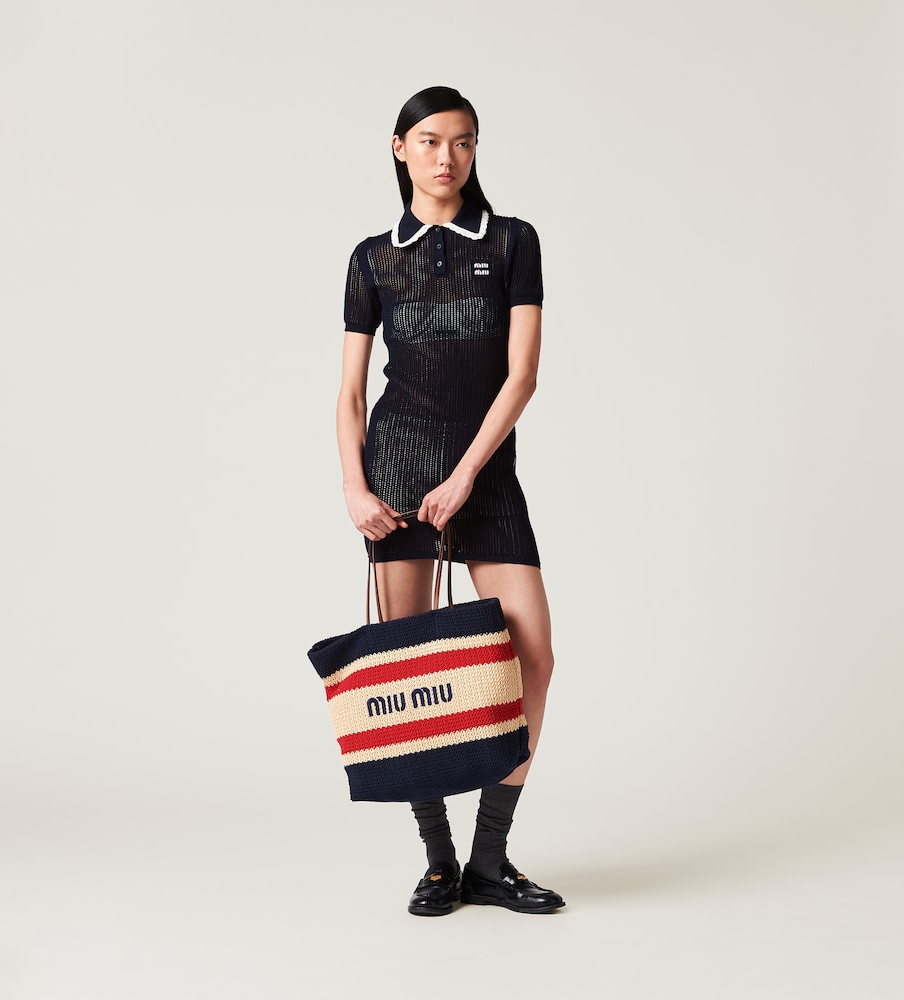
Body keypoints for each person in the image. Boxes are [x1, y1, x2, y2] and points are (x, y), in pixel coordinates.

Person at [336, 86, 564, 916]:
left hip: (484, 474)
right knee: (410, 671)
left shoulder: (511, 241)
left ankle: (490, 860)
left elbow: (522, 376)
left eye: (463, 141)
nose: (447, 156)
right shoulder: (372, 258)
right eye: (430, 140)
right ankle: (439, 860)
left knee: (533, 657)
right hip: (397, 471)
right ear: (400, 147)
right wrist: (355, 486)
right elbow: (350, 392)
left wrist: (468, 473)